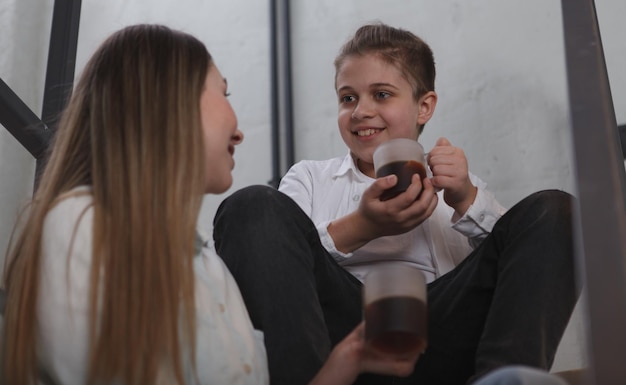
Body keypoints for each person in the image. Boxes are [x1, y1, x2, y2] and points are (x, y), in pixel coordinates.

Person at [0, 24, 420, 385]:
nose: (239, 131)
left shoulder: (210, 269)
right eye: (224, 93)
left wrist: (345, 360)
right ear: (169, 105)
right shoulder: (78, 226)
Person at [213, 23, 580, 384]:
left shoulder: (454, 185)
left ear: (424, 107)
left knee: (554, 211)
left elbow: (523, 269)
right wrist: (362, 226)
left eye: (382, 94)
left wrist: (467, 197)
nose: (360, 111)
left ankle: (501, 381)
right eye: (348, 97)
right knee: (252, 204)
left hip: (441, 335)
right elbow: (281, 263)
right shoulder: (309, 179)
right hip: (341, 340)